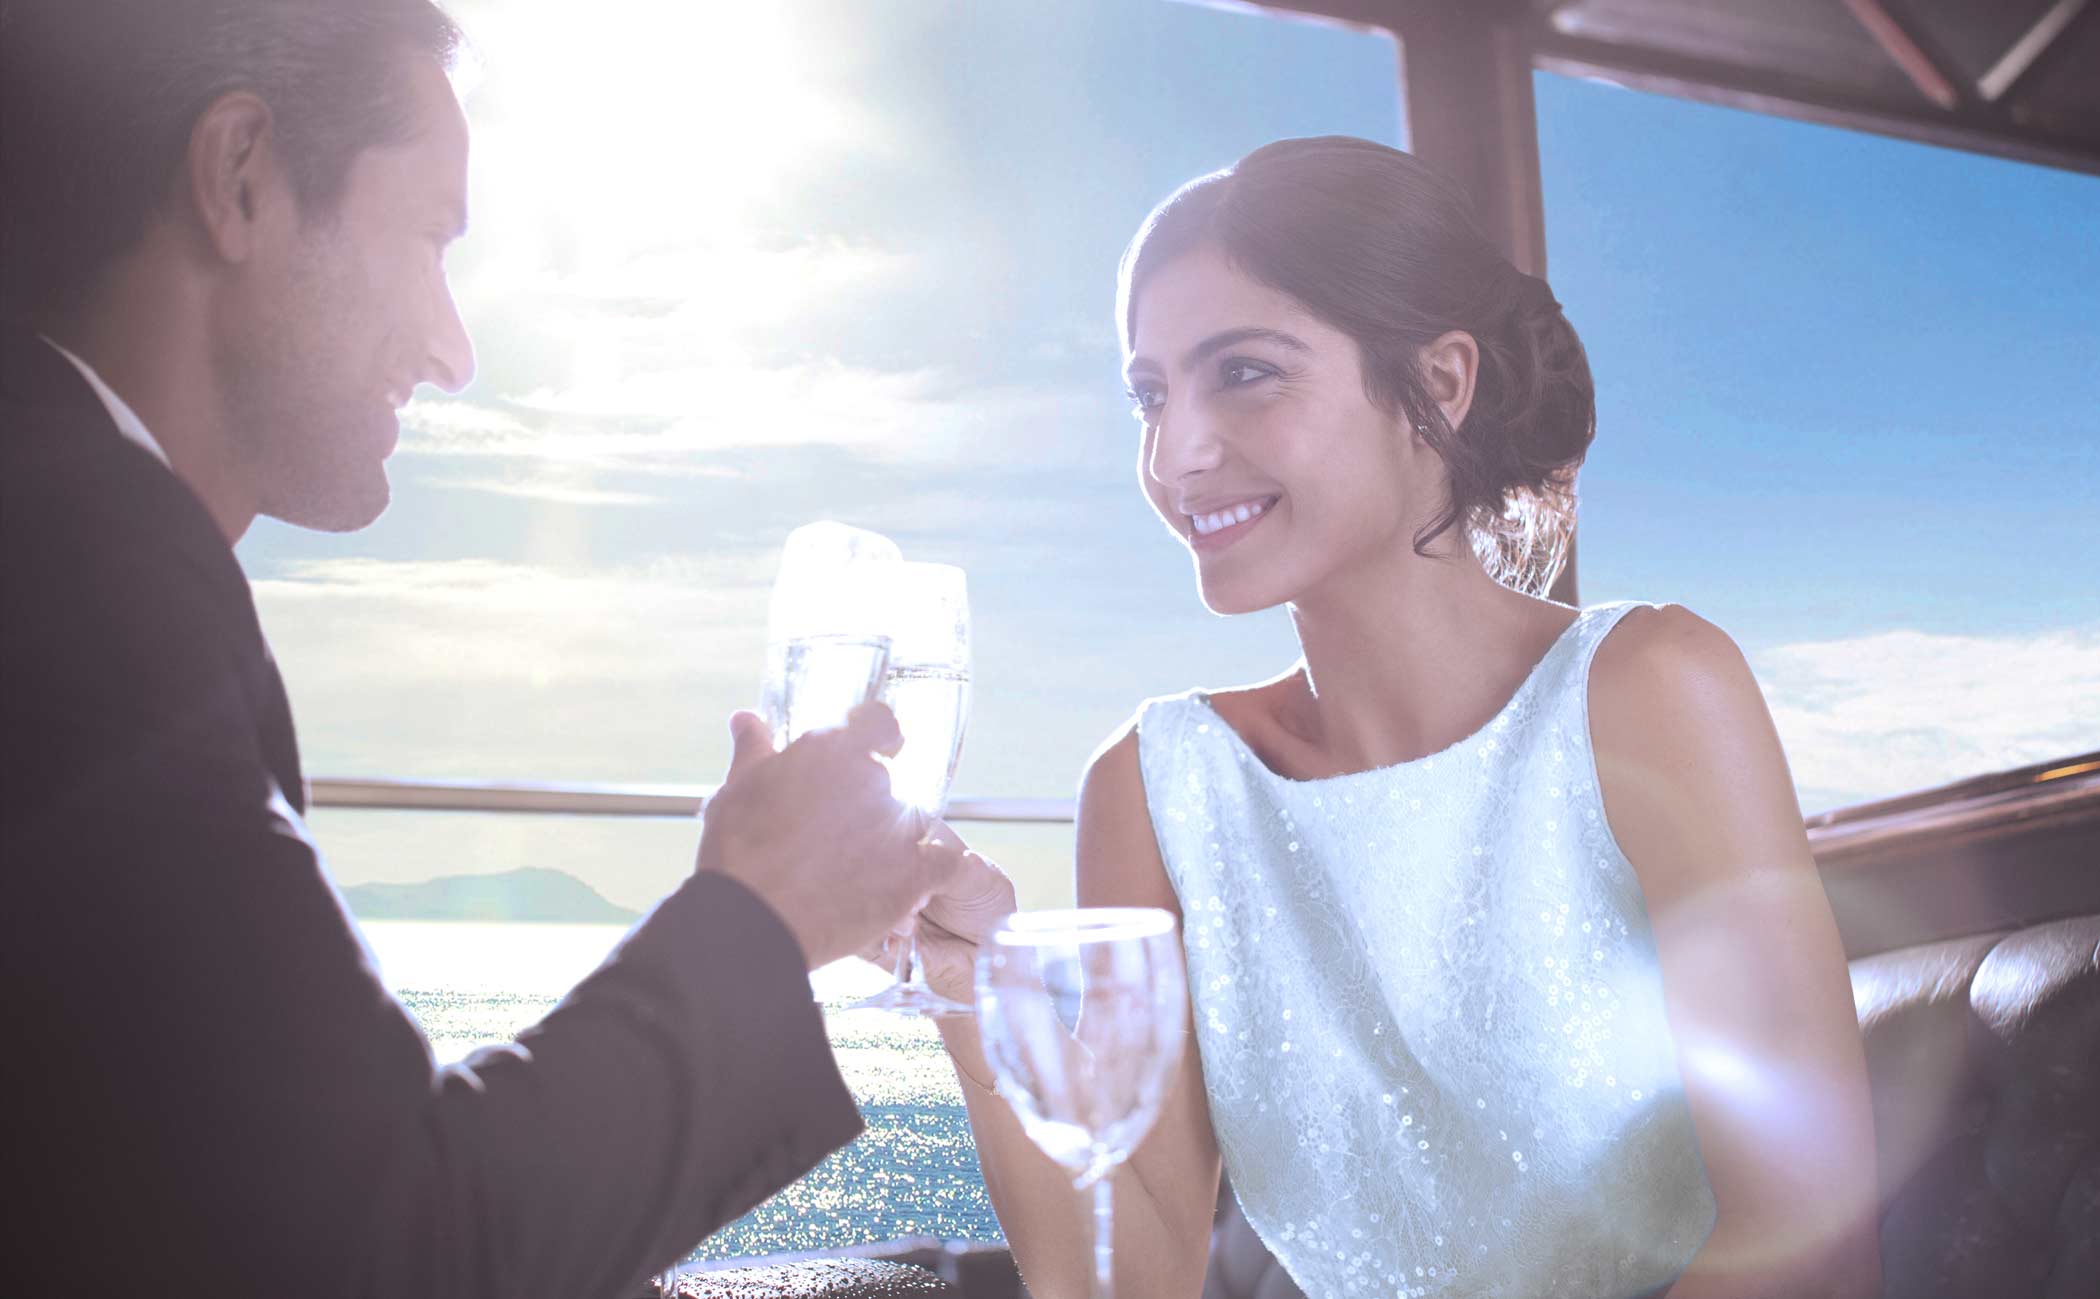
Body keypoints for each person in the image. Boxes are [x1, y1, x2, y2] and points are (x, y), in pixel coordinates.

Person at [0, 2, 957, 1293]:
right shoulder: (73, 585)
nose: (452, 351)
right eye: (430, 238)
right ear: (241, 177)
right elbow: (388, 1251)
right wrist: (765, 919)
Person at [915, 137, 1882, 1298]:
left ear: (1441, 383)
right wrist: (971, 992)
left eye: (1245, 372)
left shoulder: (1648, 693)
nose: (1177, 455)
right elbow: (1132, 1278)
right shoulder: (1154, 788)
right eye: (1150, 396)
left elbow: (1810, 1245)